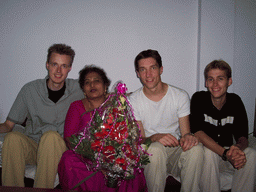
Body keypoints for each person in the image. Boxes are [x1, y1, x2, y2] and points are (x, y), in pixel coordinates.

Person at [0, 44, 84, 188]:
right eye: (54, 64)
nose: (58, 71)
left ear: (70, 68)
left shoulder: (79, 88)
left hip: (60, 148)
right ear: (47, 65)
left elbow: (102, 94)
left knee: (50, 137)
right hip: (34, 147)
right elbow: (8, 125)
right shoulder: (30, 90)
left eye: (64, 66)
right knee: (12, 138)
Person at [58, 65, 148, 192]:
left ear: (105, 85)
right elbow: (69, 139)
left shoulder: (117, 104)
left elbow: (128, 132)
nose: (92, 85)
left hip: (114, 154)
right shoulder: (76, 106)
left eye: (96, 81)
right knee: (68, 159)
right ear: (83, 89)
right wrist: (93, 161)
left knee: (129, 165)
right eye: (87, 82)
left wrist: (114, 156)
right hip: (85, 157)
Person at [128, 49, 204, 192]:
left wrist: (189, 137)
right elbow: (139, 140)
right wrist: (155, 137)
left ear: (161, 69)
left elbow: (185, 133)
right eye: (143, 70)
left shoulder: (180, 96)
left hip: (175, 148)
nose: (148, 75)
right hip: (150, 151)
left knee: (197, 149)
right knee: (156, 149)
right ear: (137, 73)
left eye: (153, 68)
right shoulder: (133, 100)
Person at [190, 59, 256, 192]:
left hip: (229, 152)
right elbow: (197, 132)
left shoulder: (235, 101)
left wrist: (236, 150)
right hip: (209, 154)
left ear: (229, 81)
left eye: (220, 78)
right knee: (209, 153)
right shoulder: (198, 98)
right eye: (210, 79)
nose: (215, 84)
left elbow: (243, 136)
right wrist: (225, 153)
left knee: (251, 154)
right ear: (206, 82)